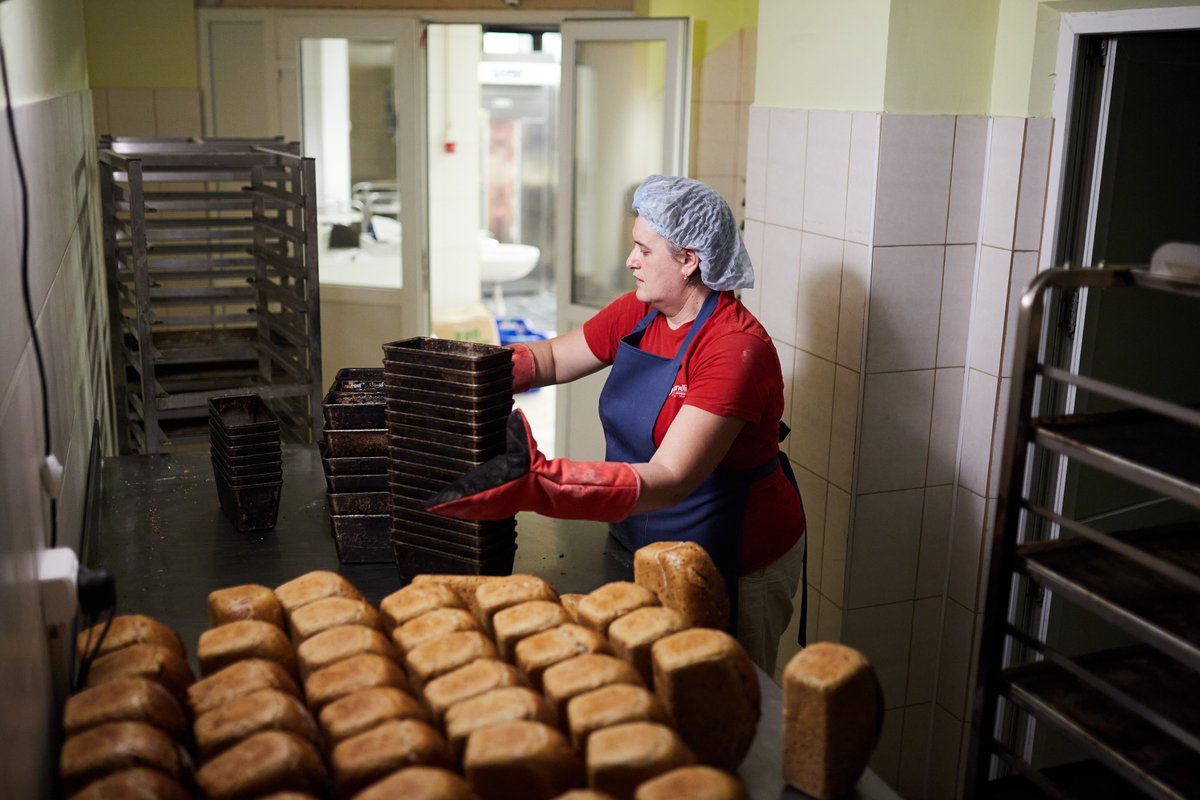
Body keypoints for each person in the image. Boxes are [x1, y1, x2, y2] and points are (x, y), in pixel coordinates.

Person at [427, 174, 806, 672]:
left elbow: (671, 478)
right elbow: (550, 361)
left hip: (732, 555)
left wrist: (545, 483)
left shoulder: (735, 350)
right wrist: (463, 372)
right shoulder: (641, 310)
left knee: (722, 696)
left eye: (643, 251)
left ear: (689, 259)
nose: (630, 261)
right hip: (638, 536)